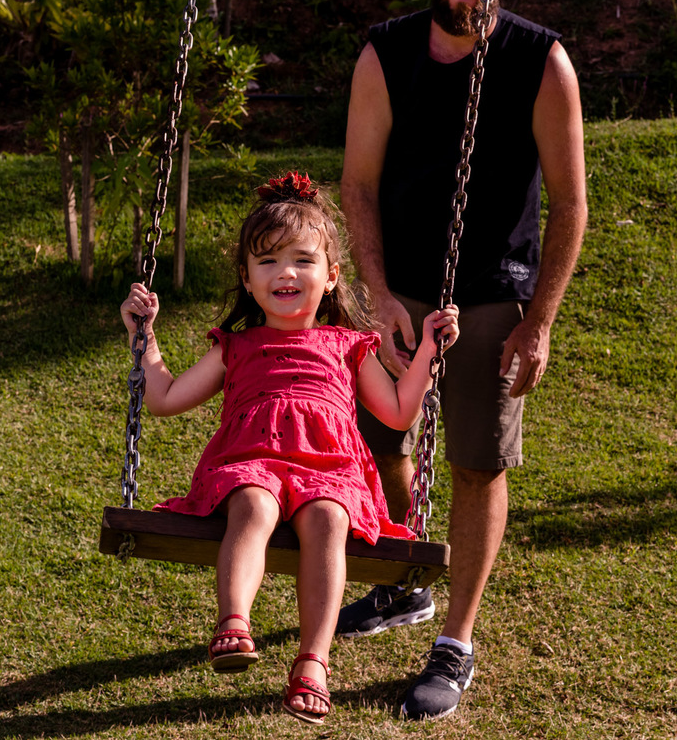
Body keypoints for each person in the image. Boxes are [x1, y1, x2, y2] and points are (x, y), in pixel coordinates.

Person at [337, 0, 588, 721]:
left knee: (477, 462)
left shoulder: (541, 62)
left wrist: (539, 322)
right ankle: (404, 581)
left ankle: (455, 640)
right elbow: (358, 184)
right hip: (400, 294)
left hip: (492, 294)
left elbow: (570, 203)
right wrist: (377, 292)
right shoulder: (385, 54)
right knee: (380, 440)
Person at [119, 171, 460, 725]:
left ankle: (313, 661)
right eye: (268, 260)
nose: (286, 272)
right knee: (252, 505)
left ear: (331, 276)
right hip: (251, 462)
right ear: (247, 278)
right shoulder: (236, 346)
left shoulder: (348, 346)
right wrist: (144, 336)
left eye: (303, 259)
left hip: (330, 469)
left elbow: (400, 411)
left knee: (329, 519)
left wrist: (427, 352)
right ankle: (234, 623)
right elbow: (165, 397)